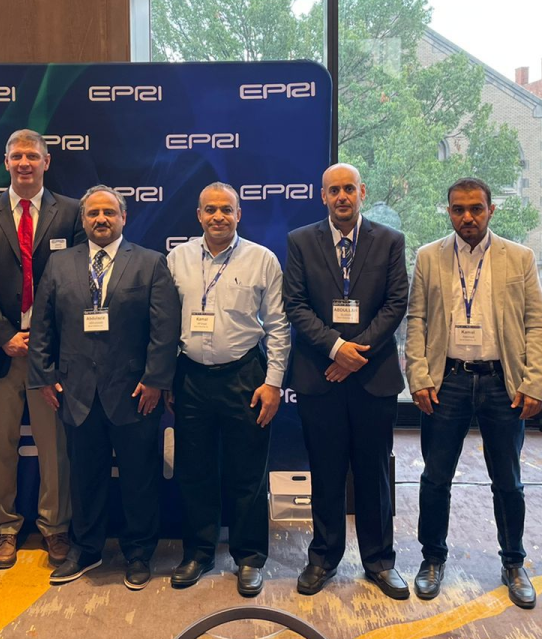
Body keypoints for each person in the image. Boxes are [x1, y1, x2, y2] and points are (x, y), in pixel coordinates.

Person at [404, 177, 542, 607]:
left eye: (476, 208)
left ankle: (513, 562)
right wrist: (419, 376)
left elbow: (535, 322)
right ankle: (432, 560)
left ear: (491, 210)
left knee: (508, 480)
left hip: (503, 382)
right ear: (448, 211)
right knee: (435, 477)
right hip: (446, 380)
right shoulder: (429, 256)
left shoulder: (519, 257)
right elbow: (416, 320)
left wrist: (534, 380)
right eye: (458, 209)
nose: (467, 217)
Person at [28, 185, 179, 590]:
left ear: (123, 218)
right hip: (75, 391)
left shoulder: (149, 263)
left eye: (109, 213)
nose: (101, 219)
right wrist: (44, 376)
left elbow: (164, 329)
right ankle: (86, 549)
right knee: (84, 478)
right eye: (93, 213)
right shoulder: (60, 263)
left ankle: (139, 553)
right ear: (83, 220)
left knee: (139, 478)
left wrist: (155, 379)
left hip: (134, 392)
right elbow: (42, 326)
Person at [282, 163, 411, 599]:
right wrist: (337, 349)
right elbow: (296, 305)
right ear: (323, 196)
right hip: (321, 376)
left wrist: (356, 355)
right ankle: (323, 557)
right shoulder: (301, 241)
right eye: (334, 190)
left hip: (373, 377)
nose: (342, 196)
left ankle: (380, 561)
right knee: (326, 472)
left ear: (362, 192)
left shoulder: (389, 240)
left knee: (374, 473)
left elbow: (396, 303)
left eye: (349, 189)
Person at [166, 182, 290, 597]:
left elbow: (278, 326)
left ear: (239, 214)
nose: (218, 216)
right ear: (198, 215)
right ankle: (199, 553)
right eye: (210, 209)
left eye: (226, 209)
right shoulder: (177, 259)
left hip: (245, 376)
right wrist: (167, 378)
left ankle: (249, 557)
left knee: (247, 472)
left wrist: (273, 382)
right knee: (194, 470)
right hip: (190, 376)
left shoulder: (262, 259)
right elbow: (164, 324)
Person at [0, 129, 83, 569]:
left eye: (32, 155)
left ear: (46, 162)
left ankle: (55, 526)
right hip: (0, 352)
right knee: (0, 444)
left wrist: (43, 338)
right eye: (16, 156)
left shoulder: (71, 212)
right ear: (6, 162)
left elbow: (76, 283)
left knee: (55, 447)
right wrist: (4, 335)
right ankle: (4, 527)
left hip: (51, 353)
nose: (24, 163)